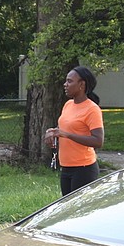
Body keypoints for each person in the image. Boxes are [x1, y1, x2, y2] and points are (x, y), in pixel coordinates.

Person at [45, 66, 104, 196]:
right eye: (66, 81)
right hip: (66, 167)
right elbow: (65, 127)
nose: (65, 84)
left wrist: (66, 135)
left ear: (82, 84)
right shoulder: (68, 105)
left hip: (84, 169)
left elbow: (98, 141)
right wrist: (52, 132)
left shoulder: (92, 109)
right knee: (68, 211)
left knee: (80, 213)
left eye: (70, 81)